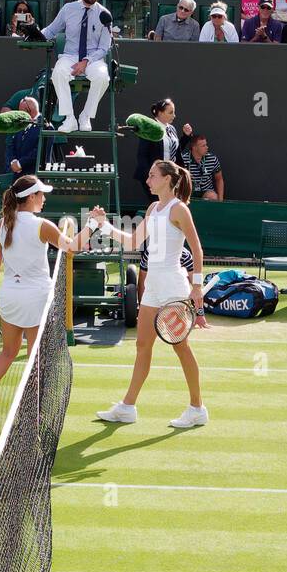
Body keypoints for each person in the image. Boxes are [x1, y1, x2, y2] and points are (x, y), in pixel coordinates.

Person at [89, 160, 209, 430]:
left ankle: (197, 408)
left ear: (168, 179)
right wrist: (103, 225)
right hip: (153, 286)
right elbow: (132, 242)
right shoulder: (153, 208)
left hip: (174, 287)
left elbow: (198, 250)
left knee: (181, 347)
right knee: (142, 345)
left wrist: (197, 286)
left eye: (153, 175)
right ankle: (127, 407)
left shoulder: (180, 210)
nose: (148, 180)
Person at [0, 177, 99, 425]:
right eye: (41, 194)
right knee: (35, 357)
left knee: (8, 351)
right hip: (36, 298)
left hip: (9, 297)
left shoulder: (2, 225)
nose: (44, 198)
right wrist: (92, 223)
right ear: (30, 198)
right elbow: (73, 248)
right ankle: (32, 410)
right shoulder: (42, 225)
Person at [41, 0, 111, 132]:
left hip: (92, 59)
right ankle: (69, 118)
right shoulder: (68, 9)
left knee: (103, 77)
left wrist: (86, 61)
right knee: (58, 72)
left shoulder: (105, 14)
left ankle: (85, 116)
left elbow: (104, 48)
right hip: (70, 56)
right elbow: (52, 30)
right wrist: (34, 34)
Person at [179, 130, 223, 201]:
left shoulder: (212, 159)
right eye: (203, 146)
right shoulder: (183, 159)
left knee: (213, 196)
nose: (207, 147)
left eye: (206, 144)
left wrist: (220, 200)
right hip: (189, 191)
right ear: (194, 147)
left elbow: (219, 179)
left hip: (206, 191)